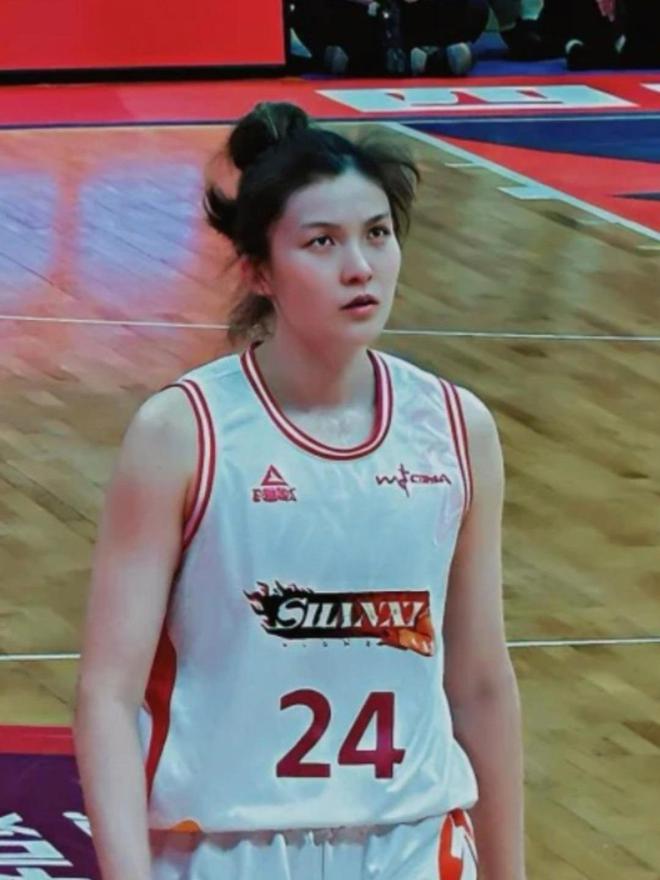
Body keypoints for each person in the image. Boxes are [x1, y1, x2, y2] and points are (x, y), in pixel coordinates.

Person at [73, 100, 527, 880]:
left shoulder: (458, 429)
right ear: (259, 271)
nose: (360, 266)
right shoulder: (184, 433)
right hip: (228, 845)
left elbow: (481, 684)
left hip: (413, 841)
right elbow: (107, 693)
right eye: (322, 242)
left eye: (377, 233)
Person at [289, 0, 489, 77]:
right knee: (308, 11)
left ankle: (360, 62)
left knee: (474, 8)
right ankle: (429, 60)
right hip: (355, 15)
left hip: (413, 15)